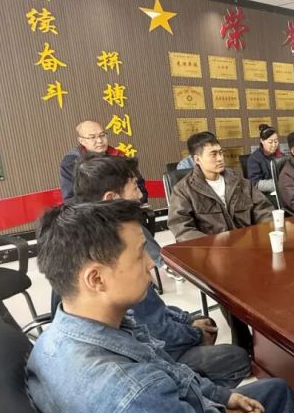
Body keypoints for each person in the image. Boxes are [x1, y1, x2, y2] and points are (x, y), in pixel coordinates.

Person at [28, 200, 294, 413]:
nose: (152, 263)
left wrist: (222, 398)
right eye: (140, 253)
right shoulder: (135, 391)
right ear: (96, 279)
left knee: (277, 389)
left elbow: (168, 368)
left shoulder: (52, 338)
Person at [70, 153, 251, 387]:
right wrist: (194, 333)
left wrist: (186, 320)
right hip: (147, 358)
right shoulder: (115, 255)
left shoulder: (83, 236)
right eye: (134, 187)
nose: (140, 195)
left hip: (143, 339)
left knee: (201, 321)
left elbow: (154, 309)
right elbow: (153, 329)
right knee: (235, 358)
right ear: (111, 198)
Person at [168, 132, 273, 350]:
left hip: (249, 250)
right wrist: (217, 246)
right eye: (213, 154)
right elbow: (181, 228)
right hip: (215, 256)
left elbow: (264, 210)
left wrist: (265, 234)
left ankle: (271, 339)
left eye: (221, 153)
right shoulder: (184, 190)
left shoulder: (239, 182)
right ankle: (244, 344)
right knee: (230, 288)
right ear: (197, 159)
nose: (220, 158)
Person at [59, 120, 147, 203]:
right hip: (92, 211)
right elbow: (71, 200)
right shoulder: (72, 162)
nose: (99, 141)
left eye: (102, 135)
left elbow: (140, 188)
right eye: (92, 137)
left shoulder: (118, 156)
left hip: (126, 208)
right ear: (81, 141)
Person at [247, 124, 283, 194]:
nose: (274, 145)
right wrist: (280, 184)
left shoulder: (281, 156)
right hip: (264, 195)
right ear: (262, 141)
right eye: (270, 142)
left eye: (276, 141)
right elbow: (255, 183)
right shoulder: (254, 159)